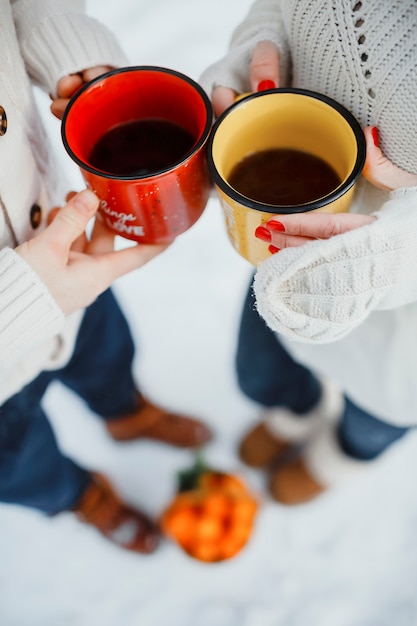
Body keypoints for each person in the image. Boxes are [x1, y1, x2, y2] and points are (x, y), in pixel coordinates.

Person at [0, 0, 212, 554]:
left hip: (65, 254)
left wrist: (64, 45)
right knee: (18, 462)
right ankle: (84, 500)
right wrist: (18, 303)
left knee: (105, 348)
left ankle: (126, 413)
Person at [201, 0, 417, 505]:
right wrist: (263, 44)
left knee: (377, 415)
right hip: (286, 251)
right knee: (261, 370)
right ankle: (290, 412)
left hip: (408, 310)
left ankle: (334, 460)